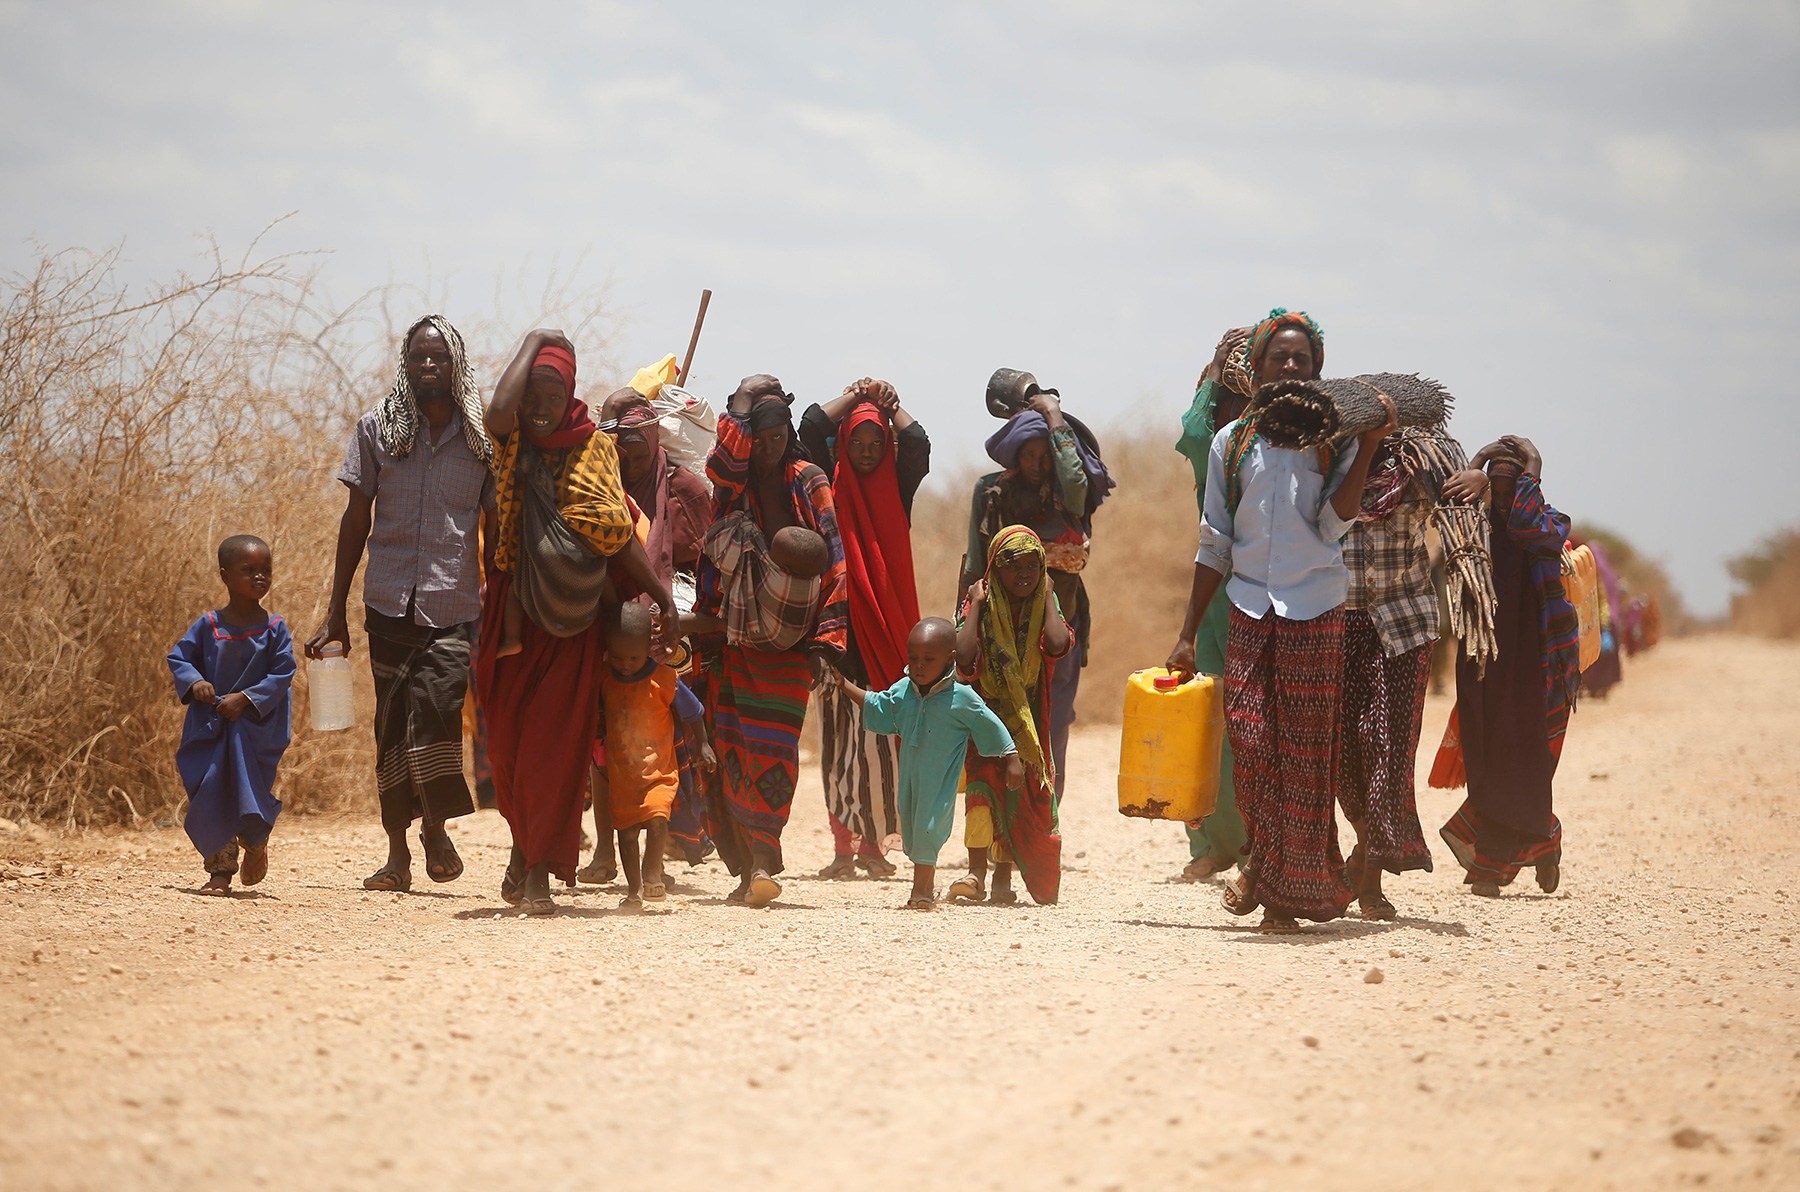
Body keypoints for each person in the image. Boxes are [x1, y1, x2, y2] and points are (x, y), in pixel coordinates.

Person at [1164, 308, 1395, 933]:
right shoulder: (1230, 442)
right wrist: (1187, 634)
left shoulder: (1333, 441)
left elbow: (1332, 524)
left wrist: (1368, 445)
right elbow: (1214, 539)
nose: (1289, 366)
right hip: (1247, 605)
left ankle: (1283, 893)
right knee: (1252, 740)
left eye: (1301, 359)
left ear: (1316, 371)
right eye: (1278, 358)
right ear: (1258, 368)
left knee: (1305, 754)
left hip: (1315, 608)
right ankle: (1274, 868)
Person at [473, 329, 676, 917]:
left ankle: (539, 871)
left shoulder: (593, 448)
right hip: (513, 606)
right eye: (532, 392)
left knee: (553, 749)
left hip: (569, 620)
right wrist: (535, 340)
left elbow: (614, 535)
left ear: (571, 395)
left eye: (552, 394)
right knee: (508, 744)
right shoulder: (513, 443)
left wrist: (660, 598)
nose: (539, 407)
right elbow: (496, 412)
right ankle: (521, 844)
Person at [307, 314, 494, 893]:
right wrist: (334, 608)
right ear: (406, 364)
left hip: (454, 606)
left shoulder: (481, 440)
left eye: (438, 356)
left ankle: (434, 825)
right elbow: (355, 518)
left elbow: (496, 523)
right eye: (418, 357)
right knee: (389, 725)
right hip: (387, 601)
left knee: (436, 713)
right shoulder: (377, 429)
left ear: (455, 363)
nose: (428, 366)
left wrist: (507, 603)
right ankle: (397, 856)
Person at [693, 375, 847, 908]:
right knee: (730, 747)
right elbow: (720, 464)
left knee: (773, 751)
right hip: (734, 641)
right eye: (759, 436)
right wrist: (742, 397)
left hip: (790, 647)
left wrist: (828, 639)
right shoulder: (730, 487)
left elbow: (835, 558)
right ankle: (745, 866)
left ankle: (764, 856)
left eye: (778, 434)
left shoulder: (809, 480)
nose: (769, 445)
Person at [576, 383, 714, 882]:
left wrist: (676, 616)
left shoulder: (685, 491)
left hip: (663, 641)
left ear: (655, 434)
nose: (622, 450)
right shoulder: (594, 487)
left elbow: (703, 571)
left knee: (659, 748)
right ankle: (606, 854)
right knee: (604, 744)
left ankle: (660, 851)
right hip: (602, 632)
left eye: (633, 438)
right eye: (612, 438)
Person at [1336, 421, 1471, 919]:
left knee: (1385, 746)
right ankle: (1360, 852)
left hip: (1405, 621)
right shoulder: (1330, 468)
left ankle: (1370, 879)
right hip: (1338, 620)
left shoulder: (1419, 467)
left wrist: (1477, 473)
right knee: (1344, 751)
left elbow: (1469, 500)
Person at [1433, 436, 1578, 897]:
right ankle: (1537, 839)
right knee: (1484, 747)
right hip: (1482, 653)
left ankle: (1498, 859)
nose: (1502, 485)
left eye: (1513, 477)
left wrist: (1532, 465)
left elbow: (1529, 526)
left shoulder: (1547, 521)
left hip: (1537, 657)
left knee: (1524, 752)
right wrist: (1474, 462)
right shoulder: (1471, 525)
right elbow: (1446, 503)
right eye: (1494, 478)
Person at [798, 378, 930, 880]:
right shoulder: (826, 484)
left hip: (890, 629)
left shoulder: (900, 484)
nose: (869, 452)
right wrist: (855, 396)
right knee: (836, 742)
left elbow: (916, 441)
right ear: (842, 446)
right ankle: (842, 849)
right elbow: (809, 425)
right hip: (836, 629)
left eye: (877, 444)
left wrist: (890, 406)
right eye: (857, 443)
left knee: (880, 745)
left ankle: (874, 847)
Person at [962, 381, 1111, 796]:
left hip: (1056, 627)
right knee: (999, 723)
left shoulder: (1067, 497)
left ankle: (1046, 815)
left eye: (1046, 455)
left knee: (1054, 721)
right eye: (1028, 453)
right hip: (999, 628)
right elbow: (975, 560)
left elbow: (1077, 479)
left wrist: (1054, 415)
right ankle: (1001, 825)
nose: (1037, 463)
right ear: (1014, 454)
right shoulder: (991, 492)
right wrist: (964, 621)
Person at [830, 619, 1020, 909]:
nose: (919, 665)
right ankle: (926, 886)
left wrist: (1012, 757)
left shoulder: (962, 697)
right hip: (909, 778)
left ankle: (920, 890)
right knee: (911, 823)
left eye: (929, 659)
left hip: (940, 780)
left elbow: (991, 725)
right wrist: (844, 685)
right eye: (914, 658)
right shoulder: (904, 689)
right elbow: (878, 704)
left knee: (928, 827)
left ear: (950, 659)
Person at [946, 527, 1072, 907]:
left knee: (1017, 796)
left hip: (1030, 720)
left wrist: (1050, 594)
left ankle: (1003, 878)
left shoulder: (1043, 600)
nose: (1024, 574)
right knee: (983, 791)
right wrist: (976, 606)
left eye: (1033, 566)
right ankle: (976, 872)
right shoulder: (979, 605)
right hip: (985, 716)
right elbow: (963, 656)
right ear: (994, 570)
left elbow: (1057, 643)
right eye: (1012, 566)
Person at [1171, 326, 1256, 881]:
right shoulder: (1219, 447)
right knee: (1211, 713)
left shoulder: (1288, 441)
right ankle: (1211, 842)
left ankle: (1259, 841)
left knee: (1258, 719)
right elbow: (1197, 435)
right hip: (1222, 591)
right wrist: (1217, 364)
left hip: (1273, 588)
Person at [167, 535, 295, 895]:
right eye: (248, 570)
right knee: (211, 792)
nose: (259, 577)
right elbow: (180, 659)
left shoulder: (274, 628)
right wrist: (196, 683)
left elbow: (283, 672)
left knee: (250, 793)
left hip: (255, 729)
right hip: (211, 726)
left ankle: (255, 842)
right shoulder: (208, 625)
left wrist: (246, 698)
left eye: (266, 570)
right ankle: (219, 872)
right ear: (225, 576)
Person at [595, 603, 716, 908]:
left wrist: (703, 744)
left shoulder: (664, 679)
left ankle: (652, 876)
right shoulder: (605, 680)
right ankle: (633, 889)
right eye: (618, 657)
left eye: (633, 657)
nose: (624, 664)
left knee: (658, 820)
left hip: (659, 772)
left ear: (648, 649)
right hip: (622, 775)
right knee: (626, 833)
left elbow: (693, 713)